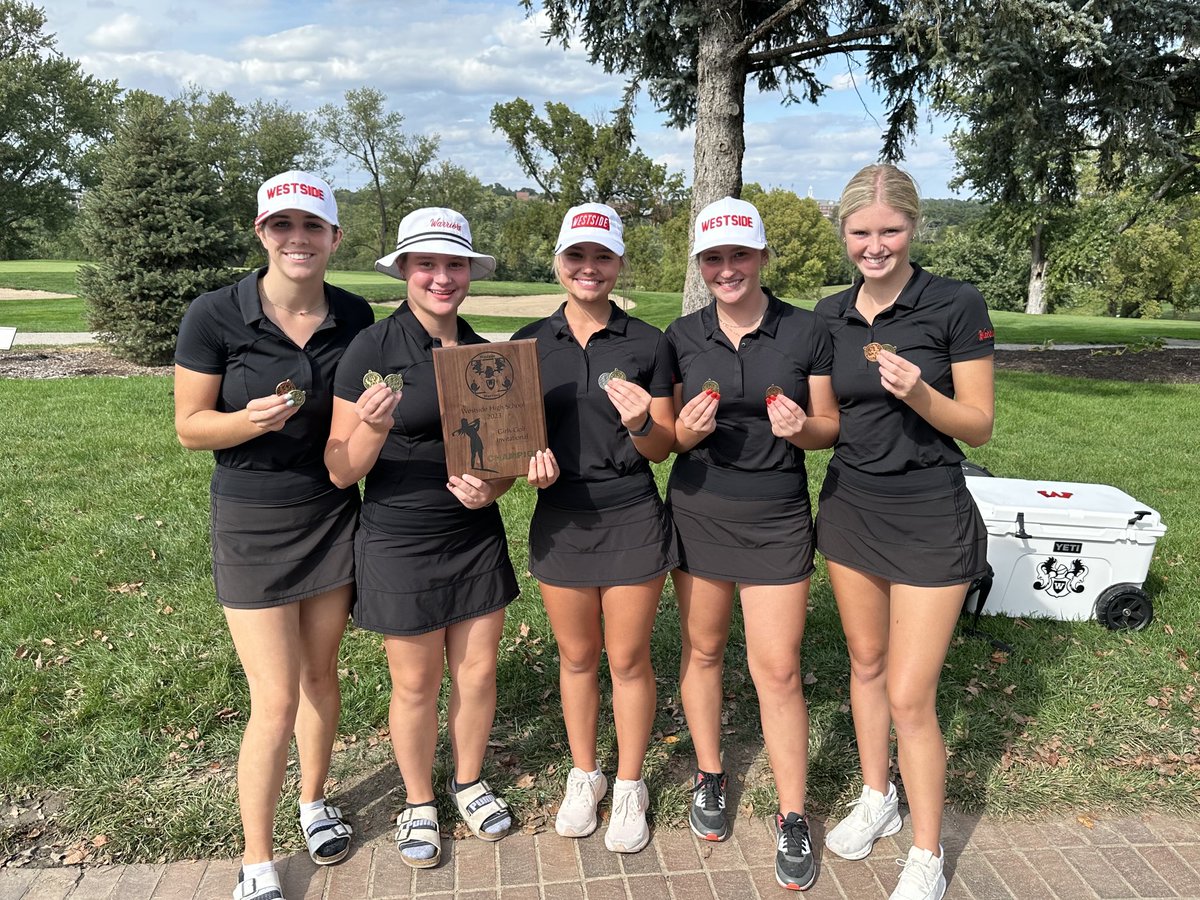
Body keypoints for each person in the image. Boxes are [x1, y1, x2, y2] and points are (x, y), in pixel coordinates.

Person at [324, 208, 557, 870]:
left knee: (479, 672)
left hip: (472, 534)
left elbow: (505, 463)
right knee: (417, 683)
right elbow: (341, 467)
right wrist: (371, 427)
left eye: (454, 264)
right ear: (403, 270)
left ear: (469, 273)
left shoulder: (485, 355)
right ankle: (420, 801)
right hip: (399, 535)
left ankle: (469, 780)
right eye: (426, 263)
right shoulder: (373, 349)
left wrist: (494, 487)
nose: (441, 277)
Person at [174, 171, 373, 900]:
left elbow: (369, 409)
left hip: (329, 512)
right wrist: (249, 420)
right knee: (275, 697)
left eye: (311, 227)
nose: (298, 238)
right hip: (251, 521)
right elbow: (191, 427)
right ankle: (257, 858)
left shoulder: (354, 316)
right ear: (261, 233)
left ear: (333, 238)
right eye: (282, 226)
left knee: (322, 676)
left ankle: (314, 801)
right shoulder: (216, 314)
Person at [814, 164, 994, 900]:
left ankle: (926, 853)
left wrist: (921, 391)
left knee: (912, 695)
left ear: (913, 228)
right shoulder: (829, 313)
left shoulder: (953, 304)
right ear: (845, 234)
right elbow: (828, 424)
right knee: (865, 664)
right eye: (861, 233)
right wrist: (801, 429)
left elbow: (978, 427)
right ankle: (875, 794)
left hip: (928, 515)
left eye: (889, 231)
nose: (875, 246)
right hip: (851, 509)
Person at [665, 197, 839, 891]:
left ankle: (793, 814)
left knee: (778, 669)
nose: (727, 268)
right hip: (700, 510)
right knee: (703, 650)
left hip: (775, 517)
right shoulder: (680, 335)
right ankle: (710, 773)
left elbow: (829, 425)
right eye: (714, 257)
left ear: (763, 257)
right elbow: (667, 439)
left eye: (740, 254)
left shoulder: (807, 331)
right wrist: (685, 430)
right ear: (701, 264)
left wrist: (803, 430)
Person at [511, 204, 677, 853]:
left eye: (602, 257)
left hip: (631, 510)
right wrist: (529, 469)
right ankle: (587, 775)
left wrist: (640, 425)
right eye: (576, 256)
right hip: (560, 515)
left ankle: (631, 784)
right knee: (578, 657)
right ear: (559, 262)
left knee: (628, 658)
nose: (589, 268)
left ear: (618, 264)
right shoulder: (527, 343)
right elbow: (510, 438)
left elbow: (662, 446)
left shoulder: (647, 342)